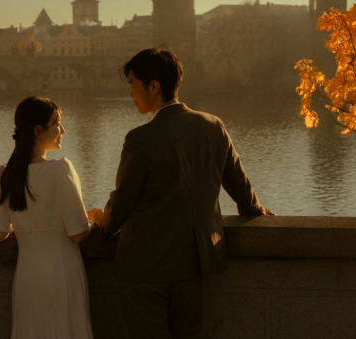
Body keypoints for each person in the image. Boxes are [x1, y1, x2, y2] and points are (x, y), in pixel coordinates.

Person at [95, 46, 274, 339]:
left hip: (145, 266)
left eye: (132, 85)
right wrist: (254, 209)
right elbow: (238, 182)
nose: (130, 94)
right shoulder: (213, 125)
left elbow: (123, 201)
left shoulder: (140, 138)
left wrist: (103, 224)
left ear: (154, 87)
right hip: (194, 261)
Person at [0, 96, 95, 339]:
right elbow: (78, 232)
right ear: (39, 131)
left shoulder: (7, 173)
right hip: (62, 272)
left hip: (27, 276)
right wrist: (91, 220)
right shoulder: (59, 169)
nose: (63, 130)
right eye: (57, 123)